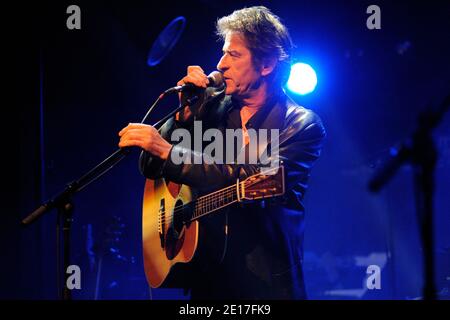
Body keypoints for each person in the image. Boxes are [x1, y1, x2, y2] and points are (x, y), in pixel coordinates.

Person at [118, 6, 326, 299]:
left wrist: (169, 151)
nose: (220, 63)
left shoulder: (300, 124)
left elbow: (255, 177)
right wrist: (183, 118)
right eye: (224, 52)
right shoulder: (212, 107)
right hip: (207, 281)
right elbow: (150, 167)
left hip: (264, 284)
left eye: (234, 55)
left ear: (266, 65)